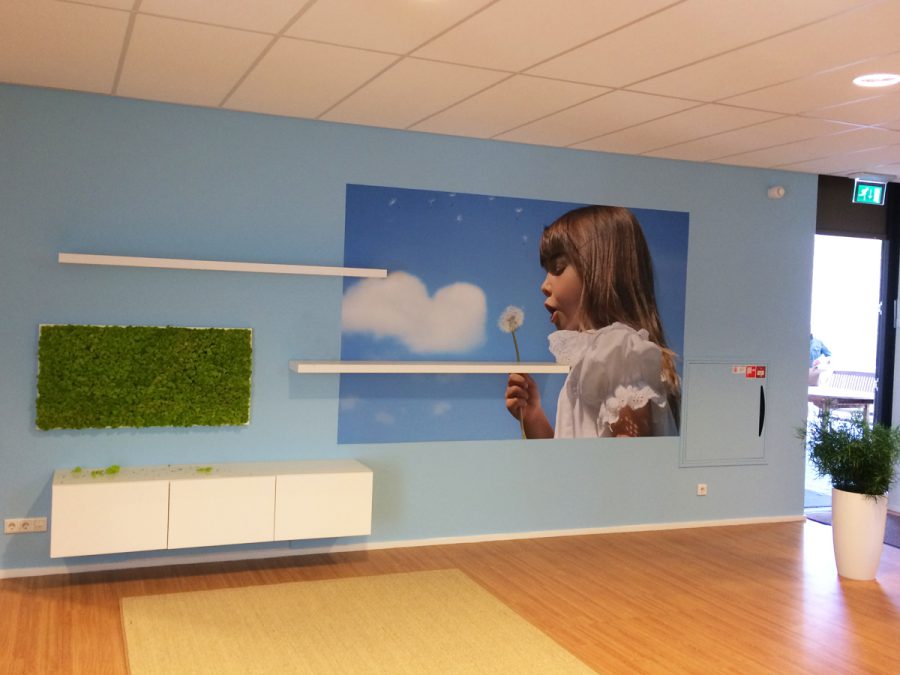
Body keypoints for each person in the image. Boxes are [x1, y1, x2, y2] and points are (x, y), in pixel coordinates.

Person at [505, 205, 681, 438]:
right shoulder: (598, 360)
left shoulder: (617, 352)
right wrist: (533, 416)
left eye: (558, 268)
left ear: (602, 269)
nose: (544, 286)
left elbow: (629, 455)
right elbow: (567, 457)